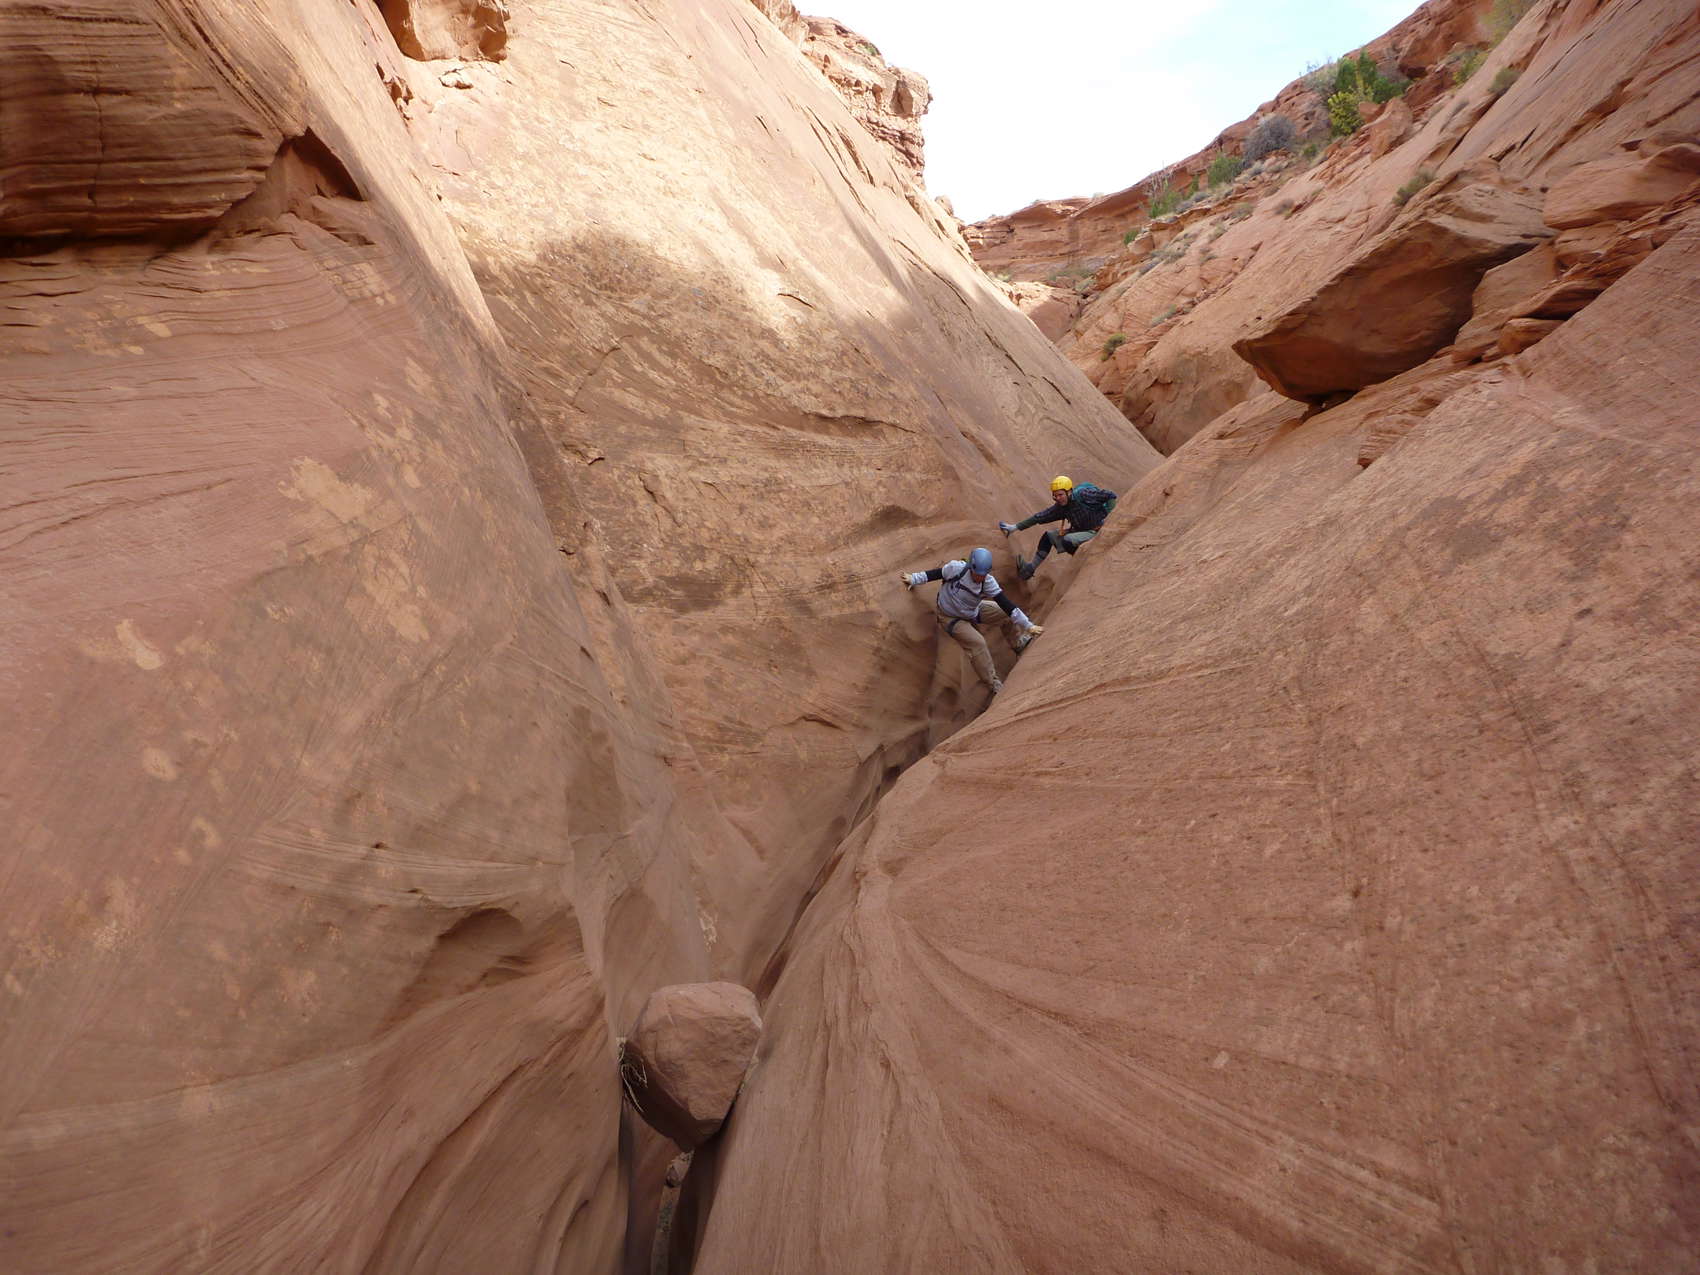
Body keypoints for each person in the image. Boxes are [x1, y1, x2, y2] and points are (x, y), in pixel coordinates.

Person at [900, 546, 1042, 695]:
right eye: (977, 574)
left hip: (972, 611)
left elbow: (1007, 605)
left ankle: (1018, 644)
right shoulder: (956, 569)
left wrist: (1028, 626)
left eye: (983, 574)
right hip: (950, 617)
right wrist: (913, 578)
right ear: (970, 567)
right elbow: (936, 574)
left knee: (1004, 614)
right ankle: (993, 685)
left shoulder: (988, 582)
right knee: (978, 643)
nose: (980, 577)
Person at [999, 474, 1117, 579]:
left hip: (1096, 531)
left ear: (1069, 492)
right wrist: (1014, 527)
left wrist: (1110, 519)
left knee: (1068, 540)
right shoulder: (1061, 506)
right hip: (1080, 532)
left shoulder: (1083, 495)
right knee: (1048, 537)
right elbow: (1039, 517)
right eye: (1055, 496)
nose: (1058, 498)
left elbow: (1110, 496)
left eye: (1060, 494)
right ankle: (1029, 570)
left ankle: (1083, 563)